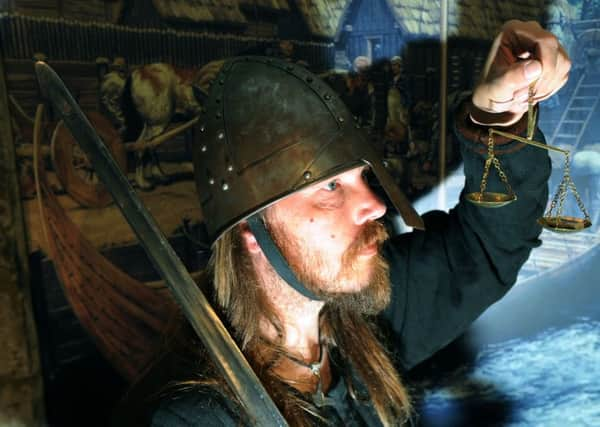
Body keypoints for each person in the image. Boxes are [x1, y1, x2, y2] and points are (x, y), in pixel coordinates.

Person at [133, 20, 570, 426]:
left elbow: (487, 247)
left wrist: (496, 116)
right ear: (251, 231)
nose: (375, 205)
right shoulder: (199, 417)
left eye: (362, 177)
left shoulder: (368, 315)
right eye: (329, 187)